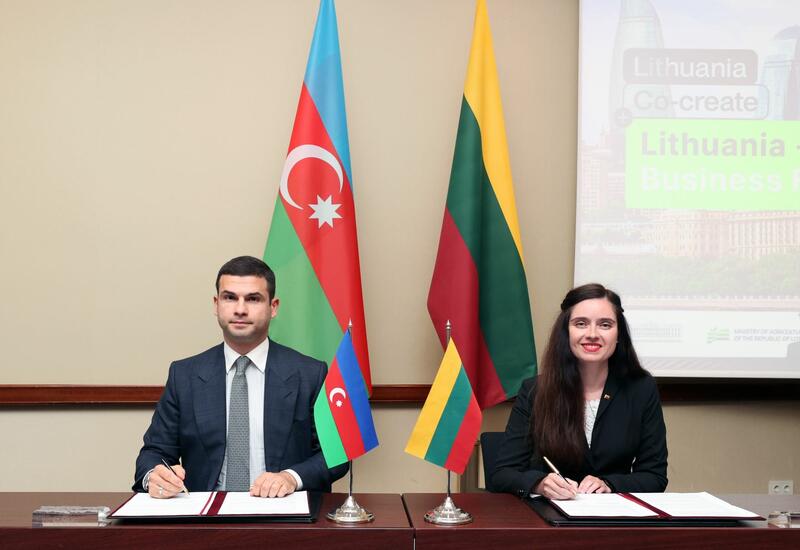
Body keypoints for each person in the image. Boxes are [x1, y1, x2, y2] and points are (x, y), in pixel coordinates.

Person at [133, 256, 348, 498]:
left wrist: (290, 478)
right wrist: (154, 476)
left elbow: (336, 456)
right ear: (216, 304)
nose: (240, 309)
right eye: (230, 297)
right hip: (206, 514)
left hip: (282, 510)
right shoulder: (184, 375)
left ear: (273, 307)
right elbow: (153, 453)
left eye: (253, 299)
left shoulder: (310, 374)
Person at [490, 283, 667, 499]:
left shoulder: (641, 389)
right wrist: (539, 484)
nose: (592, 334)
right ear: (566, 332)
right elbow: (502, 474)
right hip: (550, 513)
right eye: (581, 323)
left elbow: (655, 476)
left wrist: (609, 484)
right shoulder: (535, 390)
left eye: (605, 325)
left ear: (618, 334)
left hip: (613, 514)